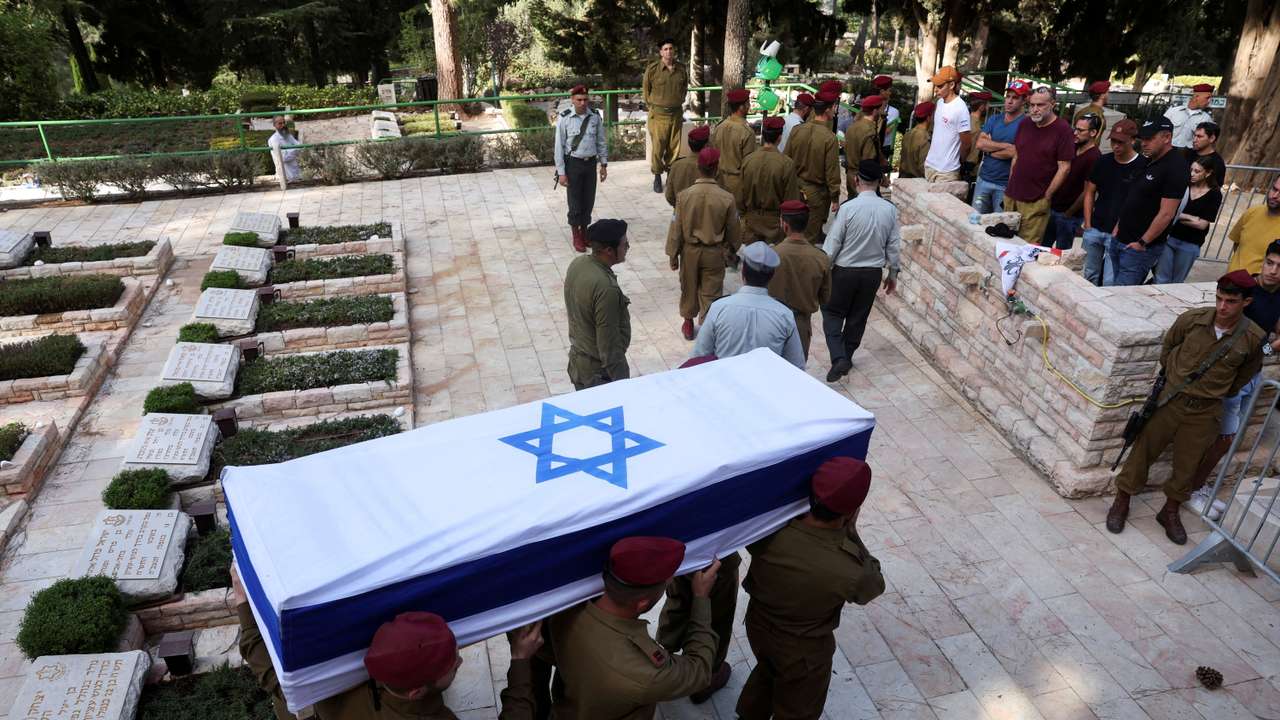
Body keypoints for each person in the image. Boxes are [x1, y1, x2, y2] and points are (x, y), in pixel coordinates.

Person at [232, 566, 540, 720]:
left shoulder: (331, 687)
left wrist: (244, 602)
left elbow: (271, 673)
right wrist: (521, 660)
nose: (460, 661)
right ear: (415, 692)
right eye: (453, 665)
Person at [1106, 270, 1265, 544]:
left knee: (1188, 464)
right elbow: (1169, 347)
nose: (1222, 307)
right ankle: (1122, 501)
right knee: (1143, 451)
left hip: (1205, 410)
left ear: (1246, 302)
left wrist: (1215, 392)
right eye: (1219, 298)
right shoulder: (1193, 320)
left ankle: (1170, 511)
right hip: (1170, 401)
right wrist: (1174, 379)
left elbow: (1246, 374)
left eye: (1231, 301)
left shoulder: (1252, 338)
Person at [735, 457, 885, 720]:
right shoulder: (850, 569)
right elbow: (873, 587)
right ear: (852, 511)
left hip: (758, 625)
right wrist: (852, 534)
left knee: (767, 670)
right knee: (799, 707)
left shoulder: (770, 529)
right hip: (803, 650)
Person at [548, 537, 721, 720]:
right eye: (666, 584)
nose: (669, 584)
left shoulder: (564, 612)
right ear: (642, 604)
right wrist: (701, 598)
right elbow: (699, 670)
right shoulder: (644, 673)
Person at [1187, 242, 1280, 517]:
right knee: (1221, 437)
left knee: (1228, 437)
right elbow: (1218, 325)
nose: (1273, 271)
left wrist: (1264, 350)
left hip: (1253, 374)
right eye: (1270, 263)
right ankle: (1191, 489)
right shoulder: (1243, 289)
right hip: (1228, 378)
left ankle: (1197, 485)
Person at [821, 160, 901, 383]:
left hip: (845, 272)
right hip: (872, 274)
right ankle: (847, 356)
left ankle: (838, 357)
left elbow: (833, 243)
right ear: (879, 182)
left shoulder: (848, 208)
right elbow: (894, 245)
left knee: (832, 312)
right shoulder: (889, 210)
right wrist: (893, 273)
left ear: (856, 180)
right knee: (858, 317)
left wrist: (823, 270)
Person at [691, 242, 805, 368]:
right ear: (771, 276)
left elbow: (698, 358)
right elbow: (796, 367)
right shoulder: (784, 315)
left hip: (725, 380)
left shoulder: (719, 308)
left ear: (743, 272)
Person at [668, 147, 741, 340]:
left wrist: (673, 254)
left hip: (689, 251)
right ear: (716, 168)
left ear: (698, 168)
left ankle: (688, 322)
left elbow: (676, 227)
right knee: (711, 292)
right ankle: (707, 328)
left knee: (688, 287)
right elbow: (734, 230)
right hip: (714, 252)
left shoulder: (684, 196)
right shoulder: (727, 198)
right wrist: (731, 250)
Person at [1107, 117, 1190, 286]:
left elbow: (1167, 213)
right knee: (1112, 288)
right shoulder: (1148, 160)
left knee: (1123, 295)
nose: (1144, 143)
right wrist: (1118, 227)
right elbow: (1133, 197)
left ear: (1167, 137)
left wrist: (1142, 242)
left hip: (1139, 248)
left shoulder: (1176, 166)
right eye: (1143, 138)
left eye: (1150, 138)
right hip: (1121, 238)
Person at [563, 219, 631, 391]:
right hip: (599, 375)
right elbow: (608, 346)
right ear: (609, 250)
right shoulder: (606, 288)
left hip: (578, 365)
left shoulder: (578, 264)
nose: (628, 247)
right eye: (624, 244)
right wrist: (624, 385)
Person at [1003, 87, 1074, 246]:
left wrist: (1047, 196)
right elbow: (1017, 155)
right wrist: (1010, 183)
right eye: (1032, 105)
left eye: (1040, 105)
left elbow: (1064, 168)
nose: (1035, 109)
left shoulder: (1063, 129)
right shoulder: (1025, 123)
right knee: (1005, 241)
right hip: (1012, 195)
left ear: (1052, 104)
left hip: (1036, 200)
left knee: (1026, 247)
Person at [1081, 119, 1142, 286]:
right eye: (1113, 141)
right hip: (1095, 227)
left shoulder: (1142, 166)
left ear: (1133, 141)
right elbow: (1090, 191)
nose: (1116, 146)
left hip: (1119, 234)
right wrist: (1088, 223)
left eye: (1121, 142)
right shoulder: (1103, 161)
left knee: (1110, 280)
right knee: (1089, 274)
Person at [768, 200, 832, 359]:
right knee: (796, 370)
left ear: (785, 225)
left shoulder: (771, 255)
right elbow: (825, 298)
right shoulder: (821, 258)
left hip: (772, 322)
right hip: (800, 325)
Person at [554, 85, 608, 253]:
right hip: (573, 164)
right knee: (575, 201)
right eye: (579, 100)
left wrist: (603, 164)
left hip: (590, 163)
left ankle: (585, 232)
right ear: (572, 100)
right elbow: (559, 147)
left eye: (585, 99)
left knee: (588, 200)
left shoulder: (595, 117)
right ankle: (576, 235)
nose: (583, 103)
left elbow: (601, 141)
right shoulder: (564, 118)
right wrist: (561, 173)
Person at [1153, 157, 1224, 283]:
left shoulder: (1214, 194)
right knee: (1161, 278)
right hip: (1170, 237)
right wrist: (1188, 217)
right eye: (1191, 170)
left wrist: (1177, 216)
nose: (1192, 174)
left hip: (1191, 243)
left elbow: (1202, 224)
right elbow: (1168, 211)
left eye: (1197, 171)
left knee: (1177, 282)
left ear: (1208, 173)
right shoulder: (1184, 186)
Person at [784, 91, 842, 244]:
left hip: (795, 189)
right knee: (809, 237)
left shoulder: (797, 130)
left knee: (792, 233)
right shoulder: (829, 138)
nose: (835, 110)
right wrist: (835, 197)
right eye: (834, 107)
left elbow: (786, 159)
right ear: (828, 109)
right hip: (816, 193)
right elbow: (832, 171)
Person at [737, 116, 800, 243]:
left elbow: (740, 196)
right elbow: (791, 200)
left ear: (763, 135)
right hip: (775, 225)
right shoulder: (786, 164)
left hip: (751, 223)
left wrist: (744, 217)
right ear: (779, 137)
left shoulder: (748, 160)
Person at [972, 79, 1030, 213]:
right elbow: (980, 144)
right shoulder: (994, 119)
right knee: (975, 219)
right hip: (983, 179)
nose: (1009, 101)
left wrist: (989, 150)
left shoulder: (1026, 124)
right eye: (1008, 96)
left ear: (1024, 100)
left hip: (1005, 185)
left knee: (998, 223)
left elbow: (1015, 152)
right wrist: (1006, 145)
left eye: (1015, 98)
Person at [1044, 113, 1102, 249]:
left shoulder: (1095, 157)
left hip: (1070, 215)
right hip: (1053, 207)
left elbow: (1087, 191)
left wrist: (1069, 213)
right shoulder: (1072, 147)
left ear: (1093, 132)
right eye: (1075, 129)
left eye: (1080, 130)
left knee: (1062, 253)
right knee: (1042, 247)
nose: (1075, 133)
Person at [643, 38, 688, 194]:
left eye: (671, 48)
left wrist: (678, 101)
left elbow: (684, 88)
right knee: (658, 148)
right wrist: (654, 107)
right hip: (658, 115)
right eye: (665, 49)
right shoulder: (653, 69)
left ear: (674, 51)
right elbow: (646, 91)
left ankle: (670, 176)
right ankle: (657, 176)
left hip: (676, 114)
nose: (669, 51)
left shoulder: (681, 69)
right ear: (661, 52)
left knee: (674, 148)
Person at [922, 65, 971, 183]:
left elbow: (966, 143)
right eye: (935, 85)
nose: (936, 89)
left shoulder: (961, 108)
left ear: (952, 85)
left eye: (940, 86)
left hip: (947, 171)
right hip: (930, 166)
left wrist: (958, 162)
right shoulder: (939, 102)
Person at [1225, 176, 1280, 274]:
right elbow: (1237, 244)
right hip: (1231, 279)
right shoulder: (1252, 211)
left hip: (1258, 283)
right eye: (1274, 189)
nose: (1275, 196)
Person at [711, 88, 758, 199]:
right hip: (738, 185)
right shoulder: (747, 132)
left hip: (719, 181)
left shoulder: (719, 127)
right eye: (747, 103)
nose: (749, 106)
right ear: (741, 107)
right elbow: (749, 166)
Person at [665, 125, 719, 207]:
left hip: (681, 211)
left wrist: (681, 207)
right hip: (705, 212)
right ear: (706, 145)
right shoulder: (712, 166)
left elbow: (669, 195)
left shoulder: (676, 166)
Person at [844, 95, 886, 196]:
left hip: (850, 176)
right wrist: (882, 177)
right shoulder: (870, 132)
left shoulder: (852, 127)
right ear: (875, 111)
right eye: (881, 109)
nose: (882, 112)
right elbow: (869, 162)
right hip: (864, 181)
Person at [1165, 83, 1215, 150]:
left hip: (1188, 153)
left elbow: (1207, 140)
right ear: (1196, 97)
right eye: (1207, 98)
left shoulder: (1206, 118)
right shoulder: (1173, 111)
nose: (1209, 101)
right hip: (1167, 150)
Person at [1184, 121, 1226, 191]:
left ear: (1212, 138)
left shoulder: (1217, 163)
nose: (1194, 140)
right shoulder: (1186, 154)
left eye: (1199, 136)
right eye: (1194, 135)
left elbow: (1215, 189)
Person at [897, 102, 934, 180]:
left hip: (904, 179)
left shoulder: (908, 134)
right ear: (928, 118)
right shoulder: (925, 137)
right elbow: (923, 167)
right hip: (917, 181)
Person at [872, 75, 900, 172]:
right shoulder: (868, 108)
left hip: (883, 148)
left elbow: (885, 132)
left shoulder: (894, 112)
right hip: (869, 148)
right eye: (888, 90)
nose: (890, 93)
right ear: (882, 91)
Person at [962, 90, 992, 180]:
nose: (988, 107)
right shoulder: (975, 125)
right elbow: (968, 147)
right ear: (981, 107)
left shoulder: (968, 120)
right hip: (968, 166)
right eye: (987, 104)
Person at [1073, 80, 1110, 147]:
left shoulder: (1082, 111)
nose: (1108, 95)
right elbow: (1095, 141)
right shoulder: (1098, 116)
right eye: (1107, 92)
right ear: (1102, 96)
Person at [268, 116, 302, 183]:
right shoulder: (273, 139)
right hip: (285, 176)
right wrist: (295, 150)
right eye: (280, 123)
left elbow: (300, 146)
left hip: (295, 174)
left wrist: (290, 151)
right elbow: (283, 157)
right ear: (274, 125)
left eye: (284, 123)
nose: (283, 125)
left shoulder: (288, 135)